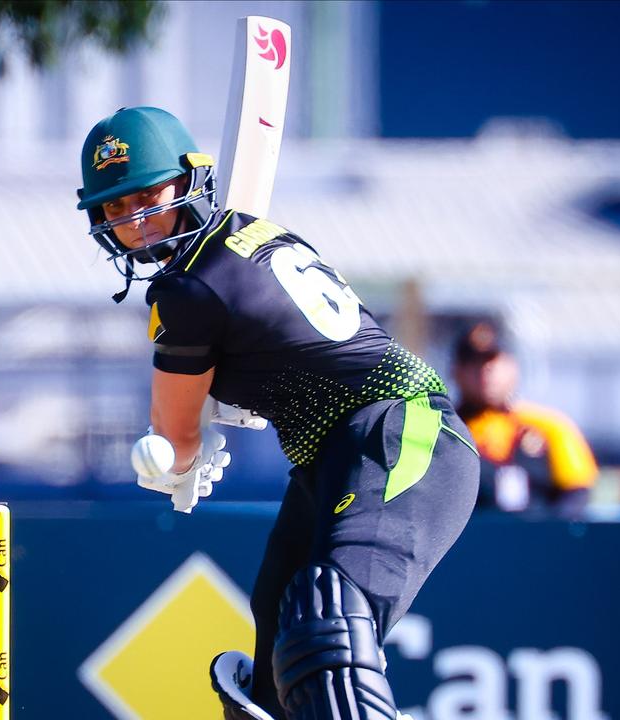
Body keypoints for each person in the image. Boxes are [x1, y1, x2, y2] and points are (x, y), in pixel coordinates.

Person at [76, 106, 480, 720]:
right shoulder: (258, 234)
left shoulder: (186, 291)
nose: (133, 220)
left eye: (145, 196)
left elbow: (174, 435)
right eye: (114, 207)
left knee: (327, 626)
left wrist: (180, 463)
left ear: (189, 180)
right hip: (334, 456)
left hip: (399, 431)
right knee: (274, 669)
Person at [452, 321, 598, 517]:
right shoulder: (444, 430)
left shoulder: (549, 426)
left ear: (512, 367)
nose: (484, 371)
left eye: (492, 361)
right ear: (457, 372)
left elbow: (577, 493)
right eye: (473, 363)